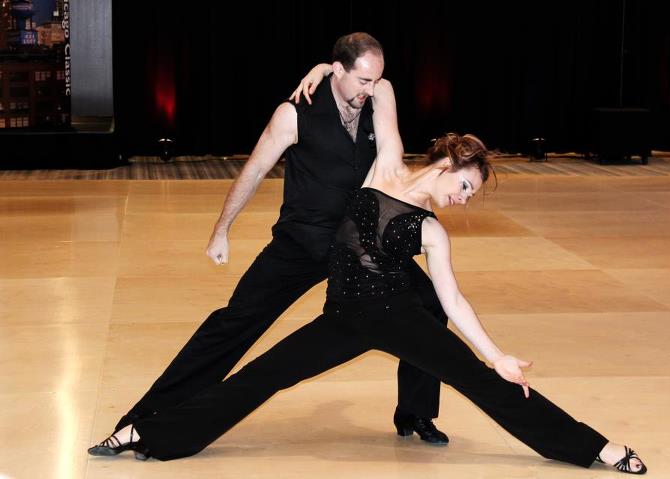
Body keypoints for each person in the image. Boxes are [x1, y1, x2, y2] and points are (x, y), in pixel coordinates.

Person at [89, 72, 647, 473]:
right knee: (260, 374)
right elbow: (379, 86)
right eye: (465, 187)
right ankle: (152, 430)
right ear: (447, 165)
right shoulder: (388, 163)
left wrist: (497, 354)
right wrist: (330, 71)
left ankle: (589, 447)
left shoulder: (434, 231)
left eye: (470, 195)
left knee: (482, 380)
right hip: (342, 314)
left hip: (399, 314)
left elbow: (454, 301)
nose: (463, 199)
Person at [108, 32, 450, 446]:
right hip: (302, 241)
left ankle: (414, 413)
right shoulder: (295, 113)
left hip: (360, 244)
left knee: (428, 304)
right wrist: (222, 230)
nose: (369, 89)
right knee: (235, 321)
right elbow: (252, 171)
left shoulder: (378, 96)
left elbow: (381, 113)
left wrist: (332, 71)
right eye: (362, 80)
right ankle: (150, 413)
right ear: (338, 71)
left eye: (375, 80)